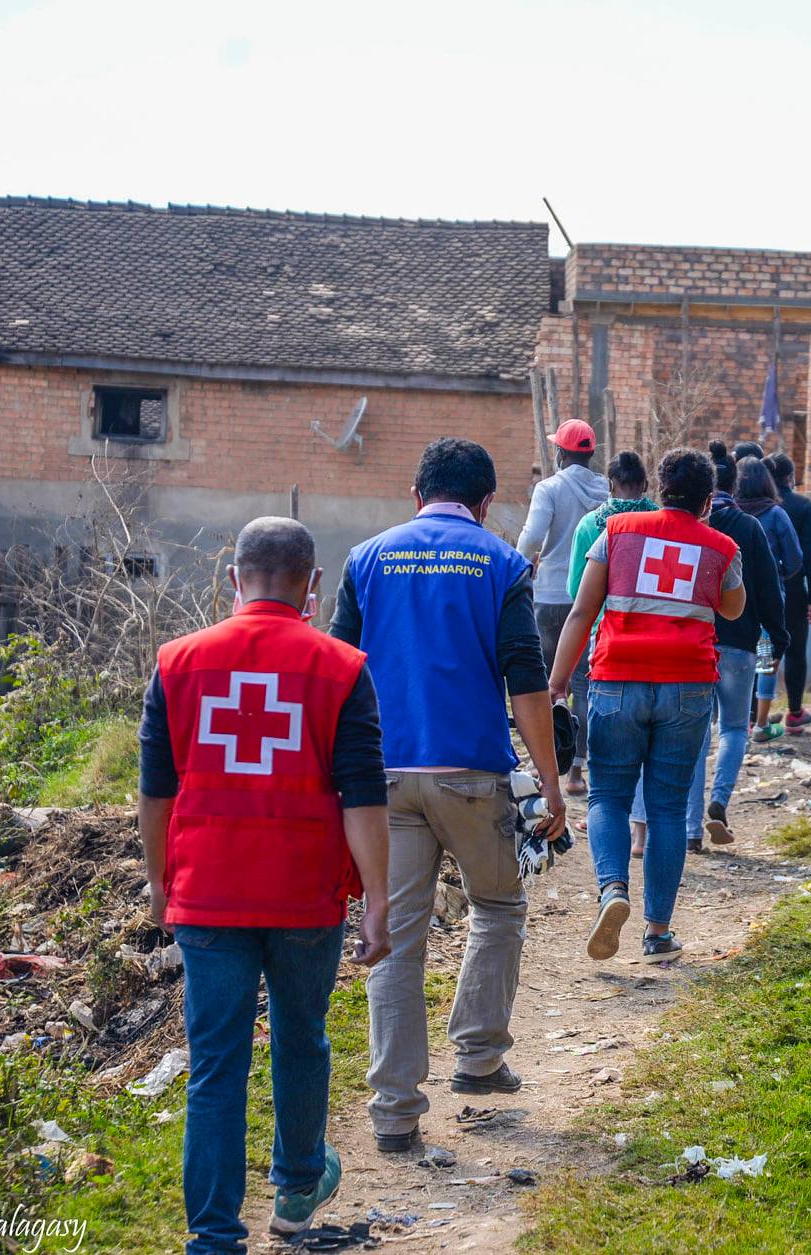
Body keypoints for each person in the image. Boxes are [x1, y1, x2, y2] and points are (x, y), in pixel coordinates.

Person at [138, 517, 391, 1252]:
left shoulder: (177, 663)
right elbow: (362, 795)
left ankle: (215, 1236)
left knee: (215, 1062)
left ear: (232, 577)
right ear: (313, 585)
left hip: (209, 891)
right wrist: (378, 899)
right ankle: (298, 1185)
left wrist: (159, 882)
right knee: (301, 1035)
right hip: (305, 892)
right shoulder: (342, 667)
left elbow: (156, 792)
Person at [331, 438, 565, 1155]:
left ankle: (394, 1112)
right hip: (471, 775)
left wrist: (331, 781)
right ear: (488, 501)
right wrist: (550, 784)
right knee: (497, 906)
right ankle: (478, 1057)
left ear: (415, 493)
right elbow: (526, 680)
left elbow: (336, 669)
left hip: (381, 779)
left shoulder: (367, 557)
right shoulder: (499, 562)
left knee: (395, 939)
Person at [547, 448, 745, 964]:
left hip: (617, 680)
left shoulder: (618, 532)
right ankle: (657, 934)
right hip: (688, 687)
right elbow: (733, 606)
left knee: (608, 796)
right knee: (665, 810)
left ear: (659, 487)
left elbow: (580, 613)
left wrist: (557, 684)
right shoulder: (721, 545)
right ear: (706, 500)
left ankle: (613, 890)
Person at [686, 444, 788, 850]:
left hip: (695, 645)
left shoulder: (694, 527)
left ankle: (691, 831)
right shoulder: (749, 528)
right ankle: (719, 801)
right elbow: (768, 588)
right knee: (733, 728)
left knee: (696, 735)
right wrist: (777, 637)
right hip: (743, 645)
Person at [569, 451, 656, 856]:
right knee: (649, 745)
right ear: (646, 484)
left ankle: (605, 816)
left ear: (609, 484)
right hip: (657, 643)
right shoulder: (661, 521)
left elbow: (576, 592)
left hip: (607, 642)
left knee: (611, 741)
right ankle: (640, 832)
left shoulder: (592, 524)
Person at [515, 419, 608, 796]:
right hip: (590, 597)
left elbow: (532, 537)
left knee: (548, 687)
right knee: (585, 684)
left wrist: (518, 568)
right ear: (589, 454)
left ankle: (546, 767)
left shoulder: (549, 488)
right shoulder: (606, 489)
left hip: (551, 597)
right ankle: (577, 773)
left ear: (560, 453)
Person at [732, 453, 801, 740]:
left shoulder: (730, 514)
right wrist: (779, 576)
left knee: (737, 657)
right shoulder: (775, 515)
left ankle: (739, 720)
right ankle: (760, 724)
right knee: (765, 659)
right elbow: (796, 558)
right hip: (767, 600)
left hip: (733, 599)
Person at [766, 452, 811, 734]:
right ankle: (795, 713)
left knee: (764, 649)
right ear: (791, 477)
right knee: (795, 651)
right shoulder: (802, 506)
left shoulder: (755, 506)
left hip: (762, 590)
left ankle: (756, 715)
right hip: (793, 590)